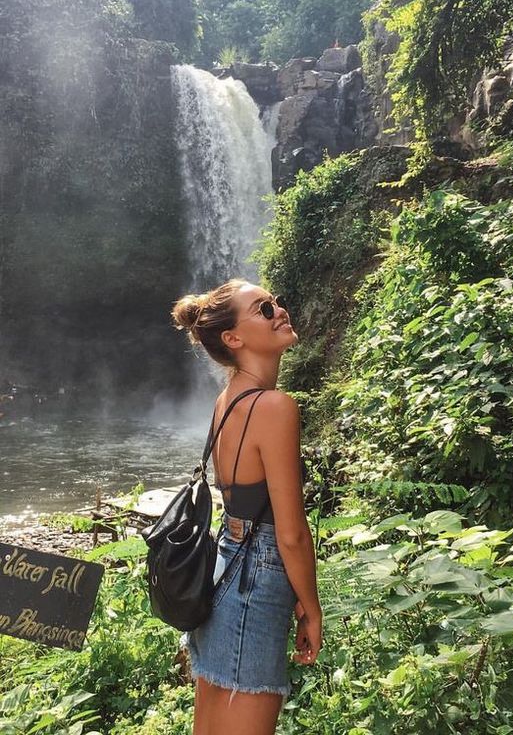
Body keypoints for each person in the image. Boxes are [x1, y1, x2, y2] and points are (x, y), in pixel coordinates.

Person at [171, 278, 322, 735]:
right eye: (262, 309)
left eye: (275, 301)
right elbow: (291, 534)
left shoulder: (226, 400)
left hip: (222, 570)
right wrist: (311, 608)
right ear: (233, 339)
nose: (279, 310)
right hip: (257, 580)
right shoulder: (276, 407)